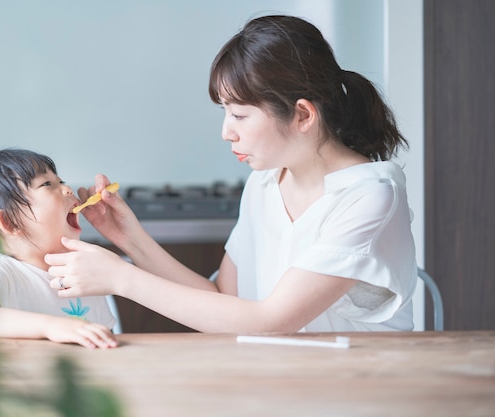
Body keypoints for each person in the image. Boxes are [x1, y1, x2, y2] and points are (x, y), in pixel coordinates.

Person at [44, 15, 418, 333]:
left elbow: (273, 320)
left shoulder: (370, 197)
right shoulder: (266, 182)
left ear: (303, 115)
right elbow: (223, 298)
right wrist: (129, 239)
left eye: (239, 115)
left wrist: (120, 278)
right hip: (279, 385)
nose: (227, 131)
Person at [0, 148, 118, 348]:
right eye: (47, 184)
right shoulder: (1, 271)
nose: (67, 189)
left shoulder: (85, 272)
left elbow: (106, 340)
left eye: (61, 181)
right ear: (11, 223)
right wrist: (52, 326)